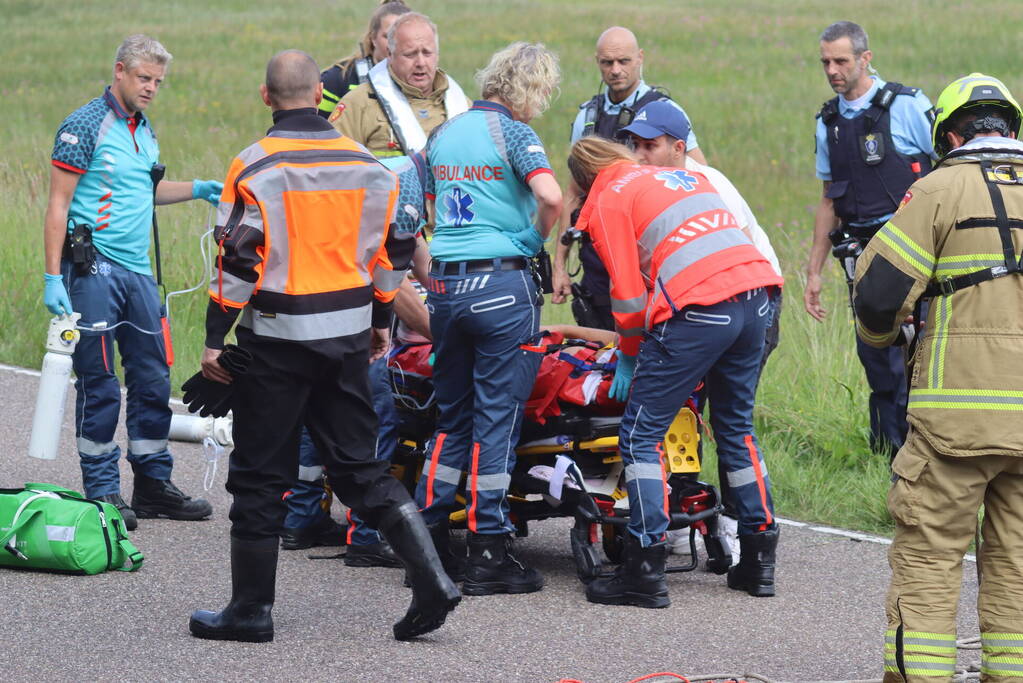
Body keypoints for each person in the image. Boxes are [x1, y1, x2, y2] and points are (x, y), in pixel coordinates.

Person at [188, 50, 459, 644]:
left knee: (260, 477)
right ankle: (431, 579)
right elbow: (396, 247)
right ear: (320, 96)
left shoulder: (253, 166)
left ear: (267, 97)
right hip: (346, 340)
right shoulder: (369, 165)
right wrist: (381, 316)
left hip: (275, 344)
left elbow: (238, 260)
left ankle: (250, 611)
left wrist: (214, 338)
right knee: (361, 469)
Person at [853, 73, 1023, 683]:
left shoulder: (939, 189)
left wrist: (885, 342)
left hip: (956, 422)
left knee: (929, 558)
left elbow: (878, 295)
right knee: (1017, 566)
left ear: (949, 136)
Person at [567, 137, 783, 607]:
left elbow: (628, 299)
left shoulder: (608, 197)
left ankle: (644, 568)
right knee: (736, 429)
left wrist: (629, 354)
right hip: (757, 296)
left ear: (583, 183)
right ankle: (759, 559)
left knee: (640, 436)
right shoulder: (679, 176)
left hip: (701, 307)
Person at [42, 34, 219, 530]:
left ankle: (153, 485)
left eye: (158, 82)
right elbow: (58, 204)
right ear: (119, 71)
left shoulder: (144, 127)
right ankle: (103, 491)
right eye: (144, 78)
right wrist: (52, 276)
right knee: (101, 383)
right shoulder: (84, 125)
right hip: (92, 268)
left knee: (152, 379)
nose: (151, 88)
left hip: (139, 272)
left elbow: (144, 189)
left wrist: (198, 189)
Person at [413, 42, 563, 596]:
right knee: (496, 421)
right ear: (529, 88)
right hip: (501, 285)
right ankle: (488, 550)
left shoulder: (443, 133)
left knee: (452, 419)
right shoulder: (515, 135)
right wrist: (530, 239)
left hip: (446, 286)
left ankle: (425, 543)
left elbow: (420, 204)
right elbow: (551, 197)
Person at [620, 100, 784, 562]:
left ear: (679, 147)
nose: (639, 156)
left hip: (729, 300)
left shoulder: (705, 181)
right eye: (634, 145)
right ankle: (756, 553)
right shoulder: (660, 182)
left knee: (658, 424)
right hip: (741, 301)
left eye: (650, 146)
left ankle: (662, 549)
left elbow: (726, 252)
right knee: (720, 422)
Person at [282, 152, 432, 567]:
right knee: (373, 422)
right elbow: (394, 280)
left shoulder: (387, 170)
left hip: (308, 310)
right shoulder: (406, 185)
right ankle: (367, 535)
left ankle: (301, 519)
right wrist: (443, 334)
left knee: (317, 415)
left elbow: (420, 258)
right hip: (350, 323)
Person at [803, 21, 936, 456]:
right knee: (875, 355)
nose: (832, 70)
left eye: (841, 61)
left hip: (912, 250)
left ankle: (923, 448)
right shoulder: (828, 122)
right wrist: (813, 272)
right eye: (825, 62)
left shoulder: (907, 106)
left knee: (920, 351)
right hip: (859, 255)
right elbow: (829, 199)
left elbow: (948, 170)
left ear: (865, 58)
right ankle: (885, 454)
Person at [552, 26, 707, 330]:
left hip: (650, 257)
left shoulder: (665, 112)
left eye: (623, 61)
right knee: (601, 345)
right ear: (597, 62)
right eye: (607, 63)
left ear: (640, 58)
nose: (615, 70)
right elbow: (572, 194)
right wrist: (559, 265)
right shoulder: (588, 117)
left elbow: (698, 177)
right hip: (598, 260)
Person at [332, 11, 470, 157]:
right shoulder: (358, 105)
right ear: (390, 54)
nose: (421, 63)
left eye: (427, 53)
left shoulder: (463, 104)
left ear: (437, 55)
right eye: (410, 54)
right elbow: (335, 162)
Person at [317, 1, 411, 118]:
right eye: (387, 36)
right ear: (373, 37)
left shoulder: (425, 80)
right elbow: (315, 127)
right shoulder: (337, 81)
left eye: (403, 36)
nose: (394, 44)